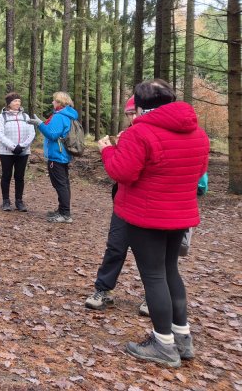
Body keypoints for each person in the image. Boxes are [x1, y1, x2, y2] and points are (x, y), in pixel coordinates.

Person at [98, 79, 209, 367]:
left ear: (140, 103)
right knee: (170, 270)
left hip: (146, 215)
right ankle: (181, 338)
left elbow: (122, 172)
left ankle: (162, 344)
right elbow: (198, 171)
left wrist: (108, 150)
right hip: (180, 214)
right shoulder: (197, 132)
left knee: (154, 276)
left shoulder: (141, 133)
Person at [85, 97, 137, 311]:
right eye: (129, 113)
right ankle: (103, 289)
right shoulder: (126, 135)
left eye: (135, 111)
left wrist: (107, 151)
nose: (132, 117)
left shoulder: (151, 136)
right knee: (115, 246)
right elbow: (120, 170)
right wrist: (112, 150)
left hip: (150, 205)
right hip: (124, 201)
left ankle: (151, 297)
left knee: (151, 256)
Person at [37, 91, 79, 223]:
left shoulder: (59, 116)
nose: (52, 102)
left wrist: (39, 124)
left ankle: (65, 214)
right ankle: (62, 210)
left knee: (60, 184)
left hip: (57, 154)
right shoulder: (68, 114)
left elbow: (52, 134)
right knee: (64, 184)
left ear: (60, 102)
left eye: (54, 100)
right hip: (63, 154)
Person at [0, 92, 38, 212]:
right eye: (15, 101)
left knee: (20, 176)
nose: (18, 103)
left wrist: (23, 146)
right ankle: (6, 201)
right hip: (6, 152)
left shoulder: (25, 116)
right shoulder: (2, 117)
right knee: (6, 175)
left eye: (19, 101)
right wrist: (13, 147)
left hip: (23, 152)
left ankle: (19, 201)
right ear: (9, 104)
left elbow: (32, 133)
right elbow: (0, 134)